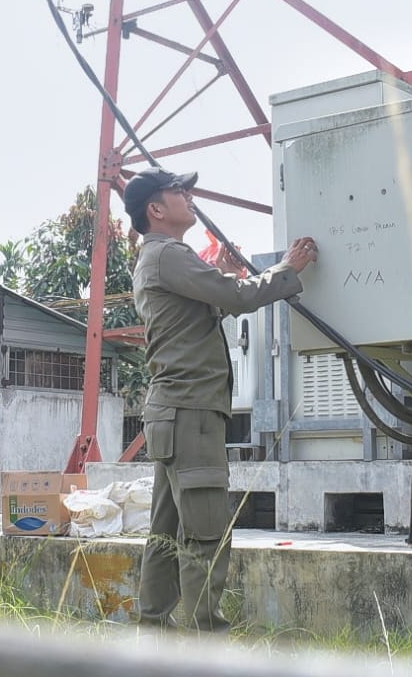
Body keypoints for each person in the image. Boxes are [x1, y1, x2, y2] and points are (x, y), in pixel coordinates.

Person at [125, 168, 318, 632]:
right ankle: (206, 641)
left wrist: (226, 276)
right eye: (178, 191)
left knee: (167, 533)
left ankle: (153, 634)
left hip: (173, 412)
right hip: (191, 412)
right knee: (206, 533)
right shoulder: (168, 253)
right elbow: (236, 297)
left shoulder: (154, 257)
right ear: (156, 209)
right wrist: (287, 268)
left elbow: (204, 309)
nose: (188, 196)